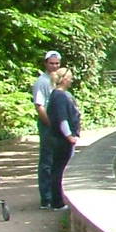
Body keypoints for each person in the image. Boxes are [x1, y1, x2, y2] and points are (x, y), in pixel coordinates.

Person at [45, 66, 83, 211]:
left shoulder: (56, 95)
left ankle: (59, 200)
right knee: (60, 169)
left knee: (58, 168)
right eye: (70, 77)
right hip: (62, 139)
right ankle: (58, 202)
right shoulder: (60, 96)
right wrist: (69, 136)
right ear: (65, 79)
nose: (71, 80)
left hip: (59, 138)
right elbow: (63, 119)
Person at [32, 49, 62, 208]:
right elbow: (40, 106)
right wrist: (50, 125)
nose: (54, 66)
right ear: (45, 63)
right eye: (51, 63)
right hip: (48, 126)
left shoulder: (57, 81)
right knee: (47, 161)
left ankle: (56, 194)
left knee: (57, 160)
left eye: (57, 63)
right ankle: (47, 197)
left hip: (58, 127)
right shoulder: (42, 82)